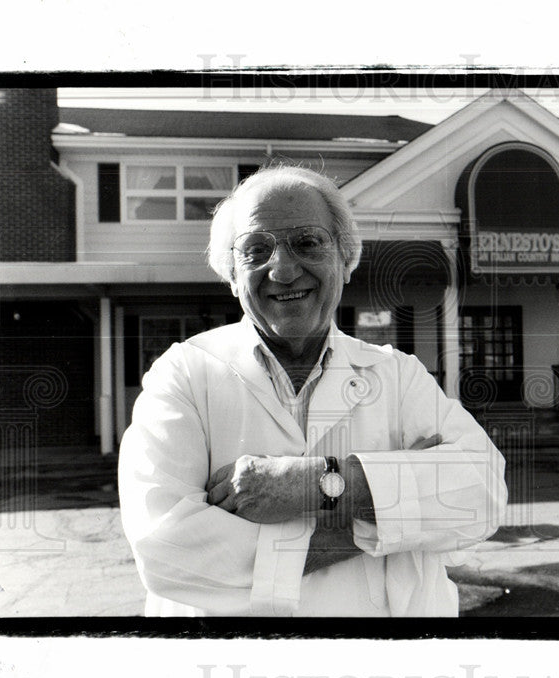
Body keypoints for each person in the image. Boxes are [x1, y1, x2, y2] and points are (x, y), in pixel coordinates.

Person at [118, 165, 507, 616]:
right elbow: (167, 552)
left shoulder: (398, 375)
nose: (282, 269)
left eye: (307, 243)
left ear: (346, 259)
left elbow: (482, 493)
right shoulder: (184, 375)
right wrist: (388, 517)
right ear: (230, 274)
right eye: (256, 250)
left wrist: (310, 485)